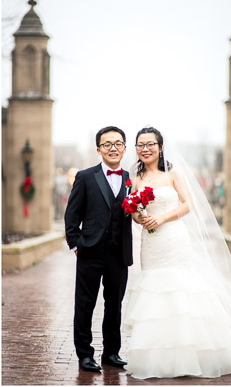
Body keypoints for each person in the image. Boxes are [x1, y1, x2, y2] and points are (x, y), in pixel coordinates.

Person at [123, 126, 231, 378]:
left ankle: (192, 354)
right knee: (154, 291)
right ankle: (159, 356)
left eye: (150, 144)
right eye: (140, 145)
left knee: (180, 289)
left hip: (172, 238)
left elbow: (188, 204)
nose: (145, 149)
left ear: (160, 147)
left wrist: (160, 219)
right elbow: (134, 210)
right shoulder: (136, 178)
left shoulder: (173, 173)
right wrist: (140, 217)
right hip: (150, 245)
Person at [64, 126, 133, 372]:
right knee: (85, 304)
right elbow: (72, 214)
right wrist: (75, 245)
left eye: (117, 143)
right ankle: (85, 355)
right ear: (99, 149)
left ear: (125, 148)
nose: (113, 148)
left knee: (114, 305)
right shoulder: (85, 176)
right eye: (107, 144)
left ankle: (111, 353)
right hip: (89, 252)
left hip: (119, 254)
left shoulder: (131, 179)